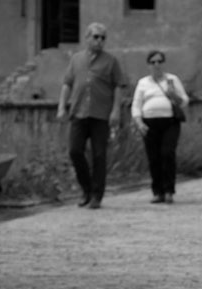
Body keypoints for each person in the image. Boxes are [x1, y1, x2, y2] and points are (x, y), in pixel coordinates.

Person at [57, 23, 129, 210]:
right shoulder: (76, 59)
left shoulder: (111, 61)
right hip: (79, 112)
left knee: (99, 155)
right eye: (96, 37)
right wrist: (61, 107)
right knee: (74, 151)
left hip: (100, 115)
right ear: (87, 38)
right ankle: (86, 189)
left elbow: (118, 86)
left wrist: (115, 111)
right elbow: (67, 83)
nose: (99, 41)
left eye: (103, 37)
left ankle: (97, 195)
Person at [131, 50, 189, 204]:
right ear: (148, 65)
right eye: (153, 62)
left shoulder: (172, 80)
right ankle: (158, 192)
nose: (156, 65)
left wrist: (173, 95)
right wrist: (139, 123)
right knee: (153, 157)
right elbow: (136, 104)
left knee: (167, 153)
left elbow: (184, 101)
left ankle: (169, 190)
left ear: (163, 63)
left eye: (159, 61)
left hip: (169, 121)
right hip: (149, 123)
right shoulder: (143, 83)